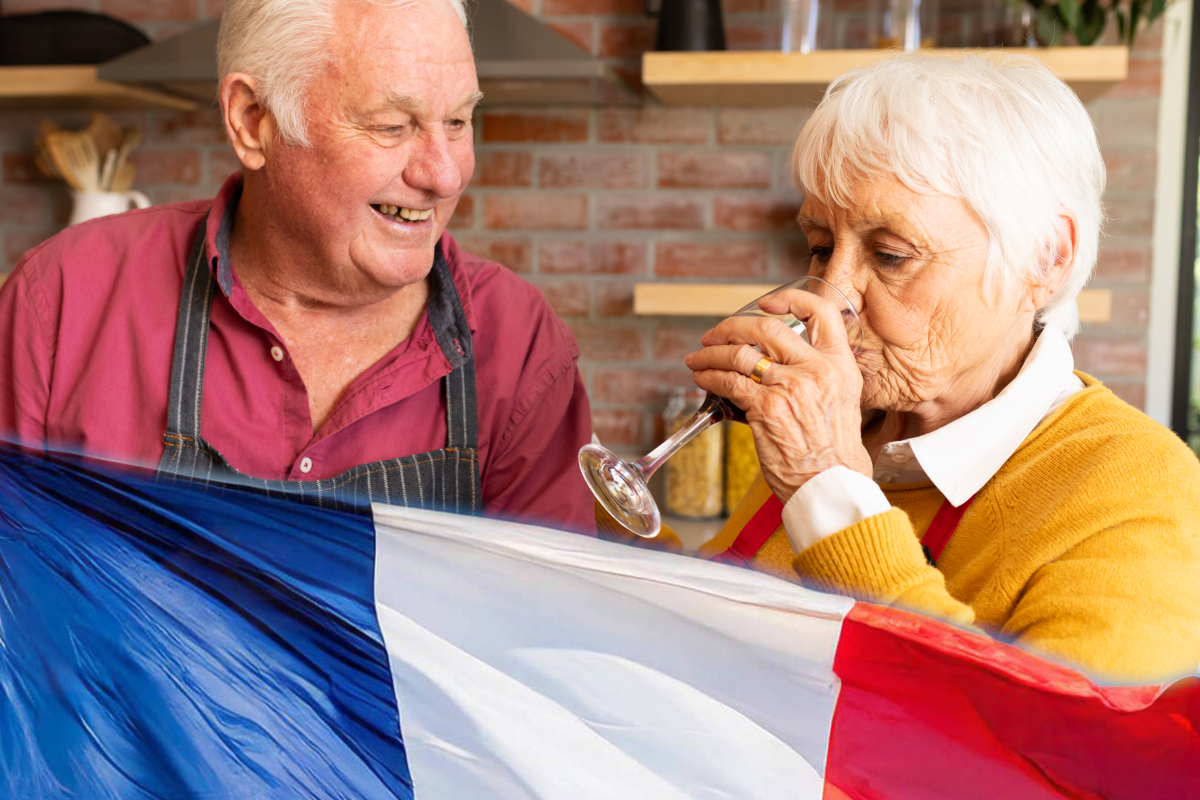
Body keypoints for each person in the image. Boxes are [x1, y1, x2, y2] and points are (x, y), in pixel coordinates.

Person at [688, 53, 1200, 683]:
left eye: (892, 254)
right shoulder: (841, 426)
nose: (831, 293)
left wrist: (827, 488)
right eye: (821, 248)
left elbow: (1068, 759)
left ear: (1046, 260)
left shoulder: (1139, 488)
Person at [0, 0, 595, 532]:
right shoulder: (60, 302)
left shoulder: (519, 344)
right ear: (253, 121)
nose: (444, 176)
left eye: (459, 122)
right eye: (392, 126)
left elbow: (547, 634)